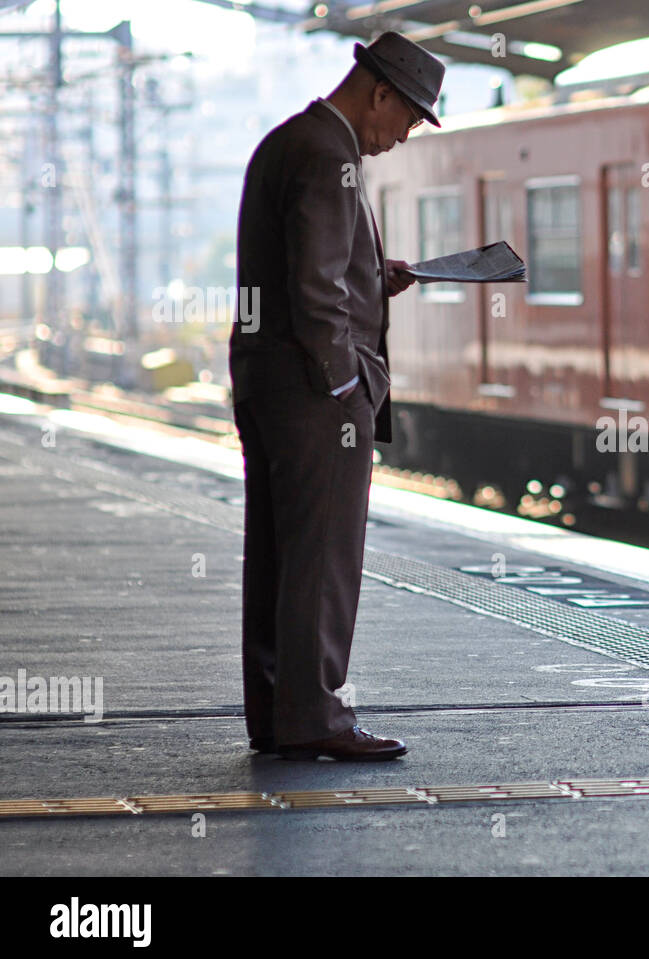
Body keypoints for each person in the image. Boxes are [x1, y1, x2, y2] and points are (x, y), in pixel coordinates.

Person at [228, 33, 445, 761]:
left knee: (278, 550)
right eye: (408, 119)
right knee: (322, 554)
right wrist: (345, 383)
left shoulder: (290, 140)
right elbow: (315, 288)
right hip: (312, 391)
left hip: (266, 373)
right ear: (379, 92)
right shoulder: (331, 154)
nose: (403, 136)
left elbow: (304, 264)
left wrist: (374, 275)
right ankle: (316, 714)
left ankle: (278, 711)